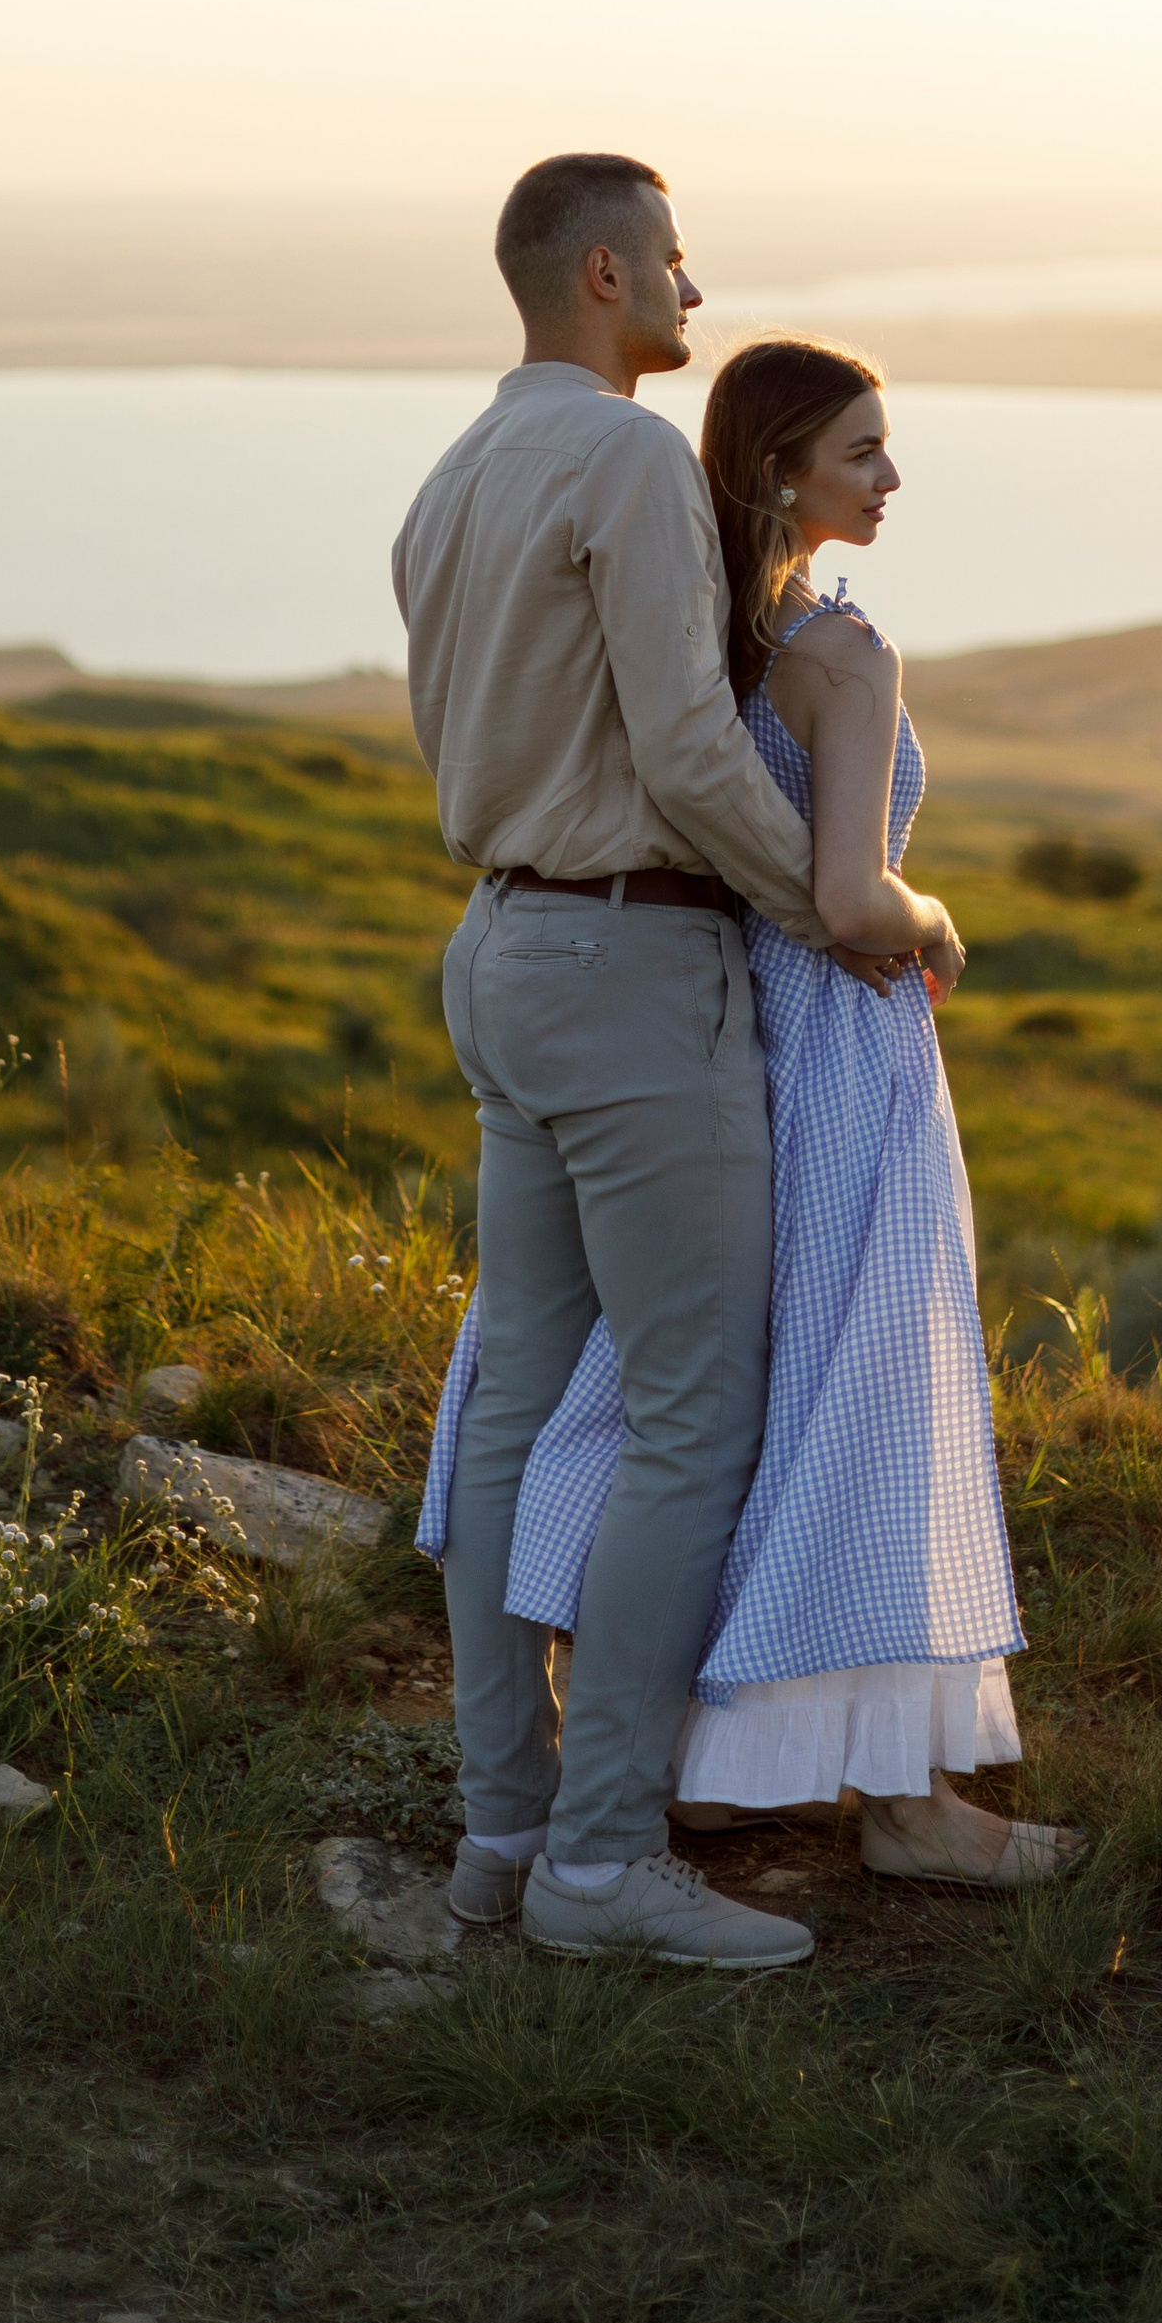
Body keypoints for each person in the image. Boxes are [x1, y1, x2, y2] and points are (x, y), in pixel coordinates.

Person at [422, 334, 1084, 1891]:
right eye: (862, 451)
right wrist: (927, 922)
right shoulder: (842, 656)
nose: (890, 478)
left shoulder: (718, 639)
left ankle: (704, 1767)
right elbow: (851, 894)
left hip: (725, 1027)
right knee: (864, 1393)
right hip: (840, 1046)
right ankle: (907, 1803)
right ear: (784, 467)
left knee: (678, 1387)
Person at [393, 154, 834, 1969]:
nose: (693, 288)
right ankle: (602, 1862)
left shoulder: (451, 477)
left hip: (500, 947)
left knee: (512, 1399)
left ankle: (506, 1832)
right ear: (599, 274)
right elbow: (686, 755)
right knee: (687, 1413)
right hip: (632, 960)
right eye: (669, 259)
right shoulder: (633, 460)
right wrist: (846, 909)